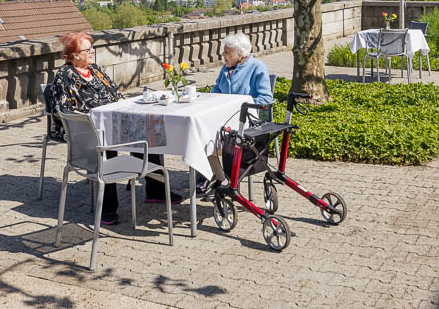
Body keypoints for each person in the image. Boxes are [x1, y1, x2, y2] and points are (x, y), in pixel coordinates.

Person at [45, 31, 182, 225]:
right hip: (84, 129)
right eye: (88, 49)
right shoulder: (65, 75)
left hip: (110, 121)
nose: (92, 52)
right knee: (107, 147)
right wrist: (98, 118)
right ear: (75, 54)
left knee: (147, 128)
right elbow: (66, 110)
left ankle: (156, 190)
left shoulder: (95, 70)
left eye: (92, 48)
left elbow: (115, 94)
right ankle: (107, 208)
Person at [199, 32, 274, 195]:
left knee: (218, 136)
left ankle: (224, 180)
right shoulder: (225, 69)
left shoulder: (257, 67)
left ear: (240, 54)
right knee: (201, 133)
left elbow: (266, 99)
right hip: (226, 118)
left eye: (227, 52)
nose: (223, 55)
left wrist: (241, 105)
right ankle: (216, 176)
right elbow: (216, 91)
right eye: (224, 51)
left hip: (250, 120)